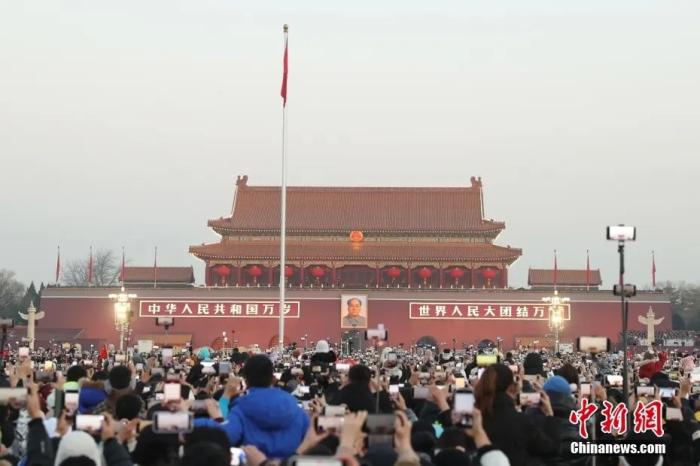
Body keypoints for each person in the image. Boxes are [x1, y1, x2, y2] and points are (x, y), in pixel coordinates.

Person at [197, 355, 309, 458]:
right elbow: (310, 436)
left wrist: (225, 397)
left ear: (246, 381)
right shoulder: (294, 406)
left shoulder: (241, 408)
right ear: (273, 378)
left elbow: (224, 436)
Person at [474, 364, 559, 466]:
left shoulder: (473, 420)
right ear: (512, 386)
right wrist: (549, 414)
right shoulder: (521, 422)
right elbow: (551, 449)